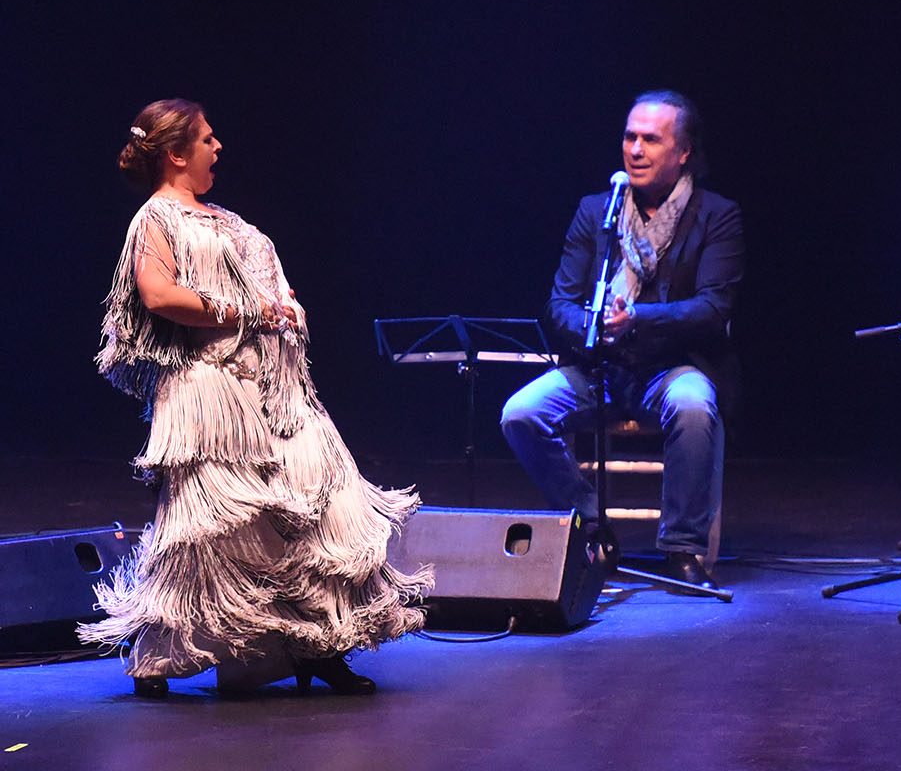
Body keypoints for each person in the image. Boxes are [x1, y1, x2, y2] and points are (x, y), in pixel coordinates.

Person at [78, 99, 433, 697]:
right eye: (208, 140)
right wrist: (242, 310)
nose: (218, 149)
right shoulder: (157, 219)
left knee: (312, 512)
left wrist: (286, 300)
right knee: (215, 533)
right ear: (176, 153)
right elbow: (158, 295)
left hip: (277, 391)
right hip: (211, 392)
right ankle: (168, 654)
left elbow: (267, 278)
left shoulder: (226, 219)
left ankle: (316, 646)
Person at [500, 90, 743, 591]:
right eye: (630, 137)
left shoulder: (716, 215)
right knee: (520, 414)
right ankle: (591, 525)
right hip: (598, 366)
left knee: (695, 407)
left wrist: (637, 319)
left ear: (684, 152)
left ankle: (682, 549)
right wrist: (594, 325)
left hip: (674, 366)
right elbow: (559, 303)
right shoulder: (597, 211)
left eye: (651, 139)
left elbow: (713, 307)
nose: (635, 149)